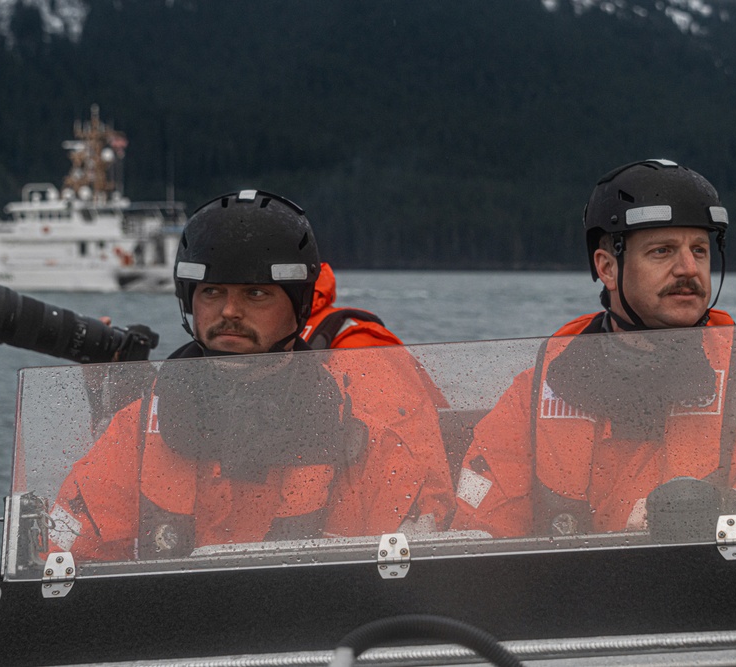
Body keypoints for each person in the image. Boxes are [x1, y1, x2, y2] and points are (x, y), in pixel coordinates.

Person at [49, 190, 453, 560]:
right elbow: (67, 566)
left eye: (255, 293)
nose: (229, 311)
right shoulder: (136, 433)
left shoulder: (359, 440)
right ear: (189, 301)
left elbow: (411, 580)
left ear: (299, 307)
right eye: (211, 292)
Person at [452, 159, 736, 536]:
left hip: (712, 592)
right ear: (607, 268)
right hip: (573, 596)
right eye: (662, 251)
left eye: (699, 250)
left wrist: (725, 507)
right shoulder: (533, 395)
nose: (688, 268)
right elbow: (479, 531)